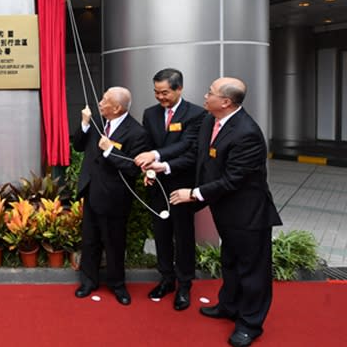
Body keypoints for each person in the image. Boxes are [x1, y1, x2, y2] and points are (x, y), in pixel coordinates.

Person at [147, 77, 282, 347]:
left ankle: (250, 324)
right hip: (225, 212)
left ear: (226, 102)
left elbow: (233, 179)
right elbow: (199, 157)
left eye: (210, 92)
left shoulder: (247, 134)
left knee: (252, 272)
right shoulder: (211, 120)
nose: (205, 95)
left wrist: (193, 194)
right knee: (230, 263)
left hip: (248, 216)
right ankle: (228, 305)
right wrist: (162, 167)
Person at [133, 68, 206, 311]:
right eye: (156, 92)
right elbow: (147, 145)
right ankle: (166, 278)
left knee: (183, 236)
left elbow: (190, 150)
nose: (160, 97)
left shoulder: (196, 114)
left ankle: (185, 284)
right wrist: (150, 172)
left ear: (179, 89)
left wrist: (160, 163)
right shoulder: (150, 114)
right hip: (157, 186)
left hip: (181, 186)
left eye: (164, 92)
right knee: (161, 234)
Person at [72, 87, 150, 306]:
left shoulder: (136, 132)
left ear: (117, 108)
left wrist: (109, 151)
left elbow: (133, 168)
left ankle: (117, 284)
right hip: (91, 191)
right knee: (90, 241)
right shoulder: (97, 121)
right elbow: (78, 146)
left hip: (114, 198)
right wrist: (85, 124)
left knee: (114, 243)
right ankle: (88, 281)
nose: (99, 103)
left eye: (104, 100)